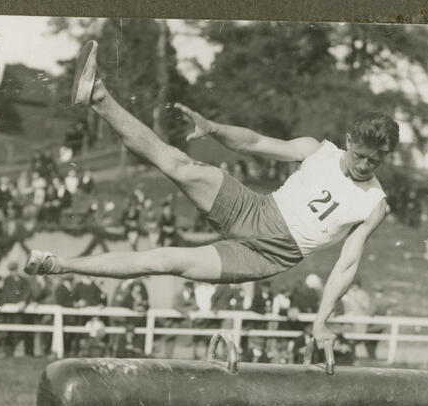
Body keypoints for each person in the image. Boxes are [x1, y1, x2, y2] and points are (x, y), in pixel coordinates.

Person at [26, 41, 397, 352]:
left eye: (375, 161)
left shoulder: (373, 204)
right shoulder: (317, 150)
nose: (365, 166)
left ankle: (58, 265)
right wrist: (214, 128)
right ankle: (98, 96)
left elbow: (347, 264)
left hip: (266, 256)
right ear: (349, 140)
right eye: (360, 155)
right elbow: (253, 142)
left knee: (167, 259)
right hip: (253, 208)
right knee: (178, 163)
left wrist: (321, 321)